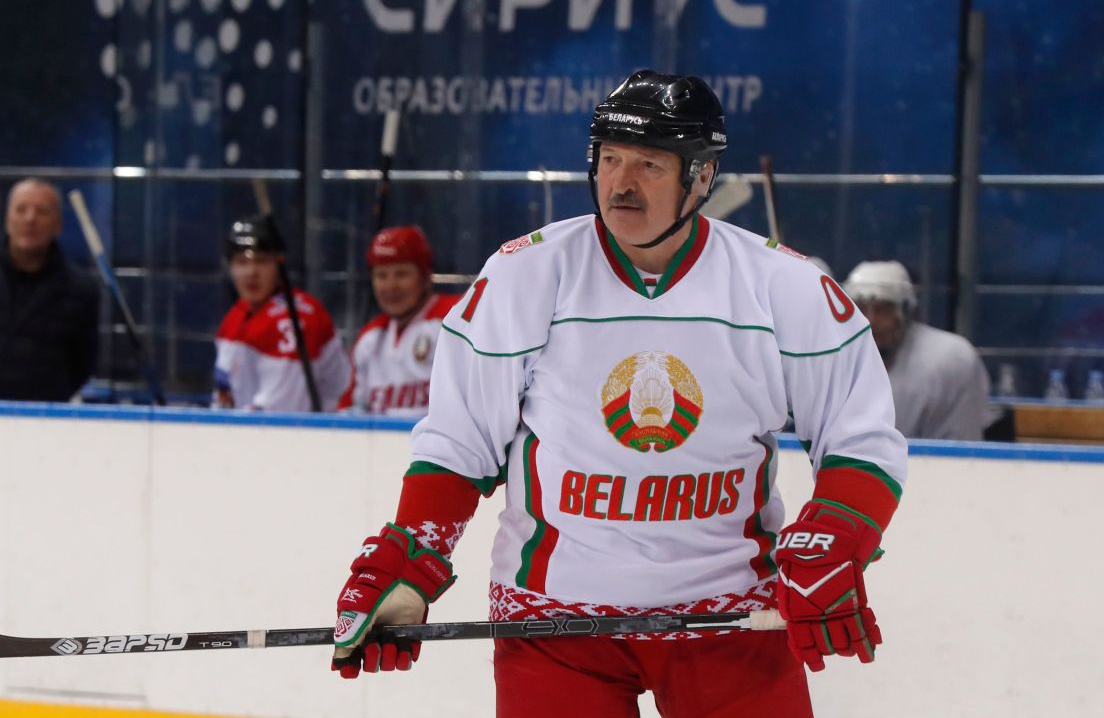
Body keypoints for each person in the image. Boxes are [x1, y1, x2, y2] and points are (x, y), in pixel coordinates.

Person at [329, 70, 908, 717]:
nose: (622, 183)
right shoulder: (525, 275)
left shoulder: (785, 288)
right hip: (553, 624)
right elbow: (461, 441)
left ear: (703, 176)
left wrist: (830, 541)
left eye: (650, 164)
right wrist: (412, 558)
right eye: (610, 160)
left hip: (731, 617)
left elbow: (861, 439)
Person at [0, 178, 99, 401]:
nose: (30, 219)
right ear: (7, 218)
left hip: (41, 418)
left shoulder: (81, 290)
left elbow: (82, 361)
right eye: (21, 209)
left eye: (41, 211)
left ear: (58, 224)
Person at [844, 260, 992, 440]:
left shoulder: (950, 360)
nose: (870, 321)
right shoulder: (832, 362)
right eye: (860, 308)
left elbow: (963, 455)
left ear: (906, 312)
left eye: (883, 309)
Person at [213, 216, 349, 412]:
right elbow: (223, 399)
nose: (251, 272)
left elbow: (279, 413)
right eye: (242, 262)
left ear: (278, 264)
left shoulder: (299, 318)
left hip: (317, 436)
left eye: (261, 261)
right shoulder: (233, 318)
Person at [337, 226, 460, 417]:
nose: (390, 286)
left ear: (426, 276)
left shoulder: (456, 319)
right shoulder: (370, 338)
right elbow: (350, 411)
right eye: (381, 275)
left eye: (401, 274)